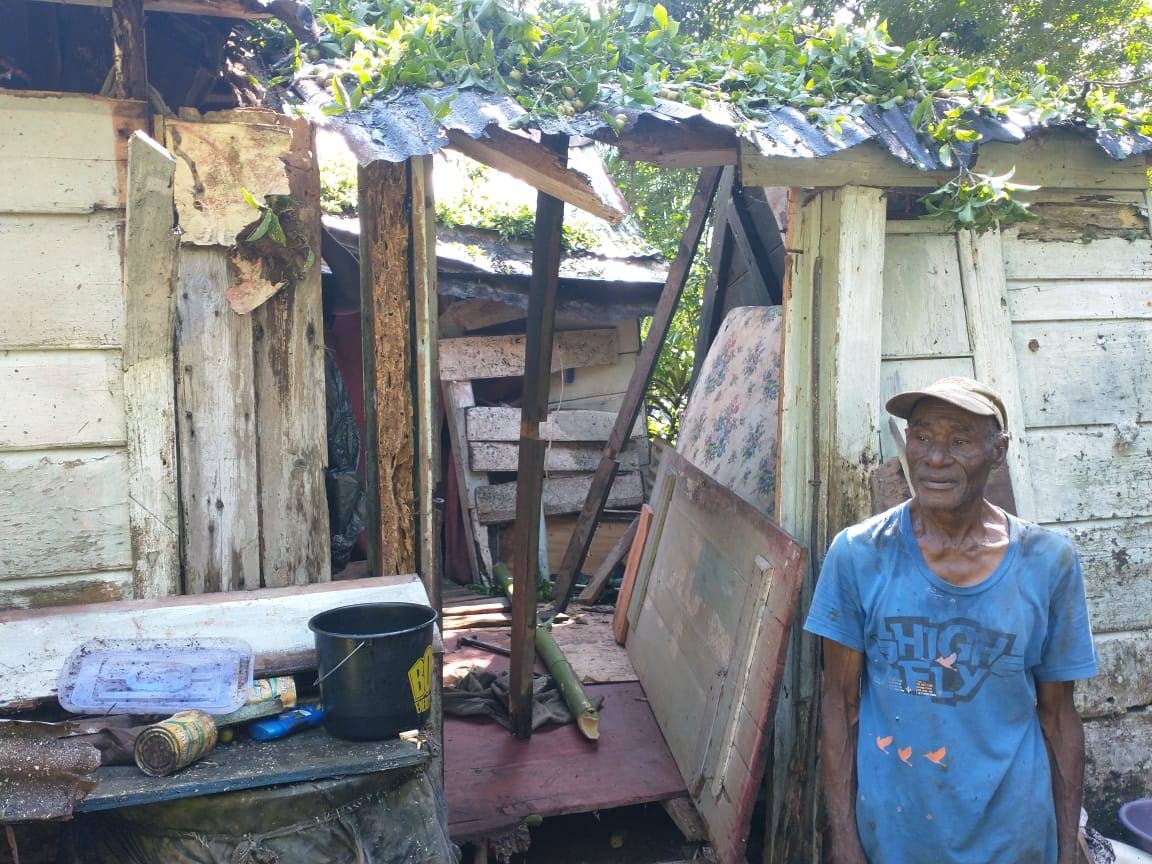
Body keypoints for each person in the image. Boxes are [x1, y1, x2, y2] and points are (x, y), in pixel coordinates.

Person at [804, 377, 1098, 864]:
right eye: (921, 436)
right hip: (897, 835)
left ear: (997, 451)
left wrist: (1067, 847)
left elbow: (1059, 716)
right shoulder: (858, 554)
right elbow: (840, 705)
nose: (935, 458)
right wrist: (844, 839)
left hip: (1014, 835)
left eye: (959, 440)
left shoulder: (1048, 562)